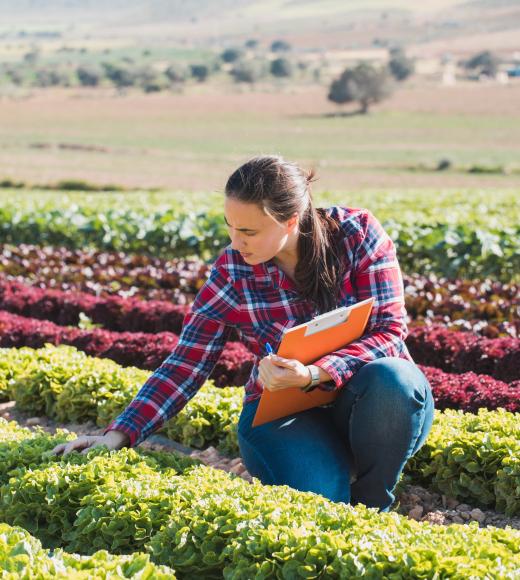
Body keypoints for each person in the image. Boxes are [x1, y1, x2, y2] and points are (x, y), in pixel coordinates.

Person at [52, 154, 435, 512]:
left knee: (394, 378)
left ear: (290, 221)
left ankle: (373, 503)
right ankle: (329, 473)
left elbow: (389, 330)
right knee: (323, 503)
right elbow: (186, 362)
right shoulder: (233, 271)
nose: (236, 242)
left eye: (249, 230)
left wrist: (316, 373)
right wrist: (119, 434)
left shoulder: (357, 235)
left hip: (372, 403)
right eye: (230, 227)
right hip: (283, 415)